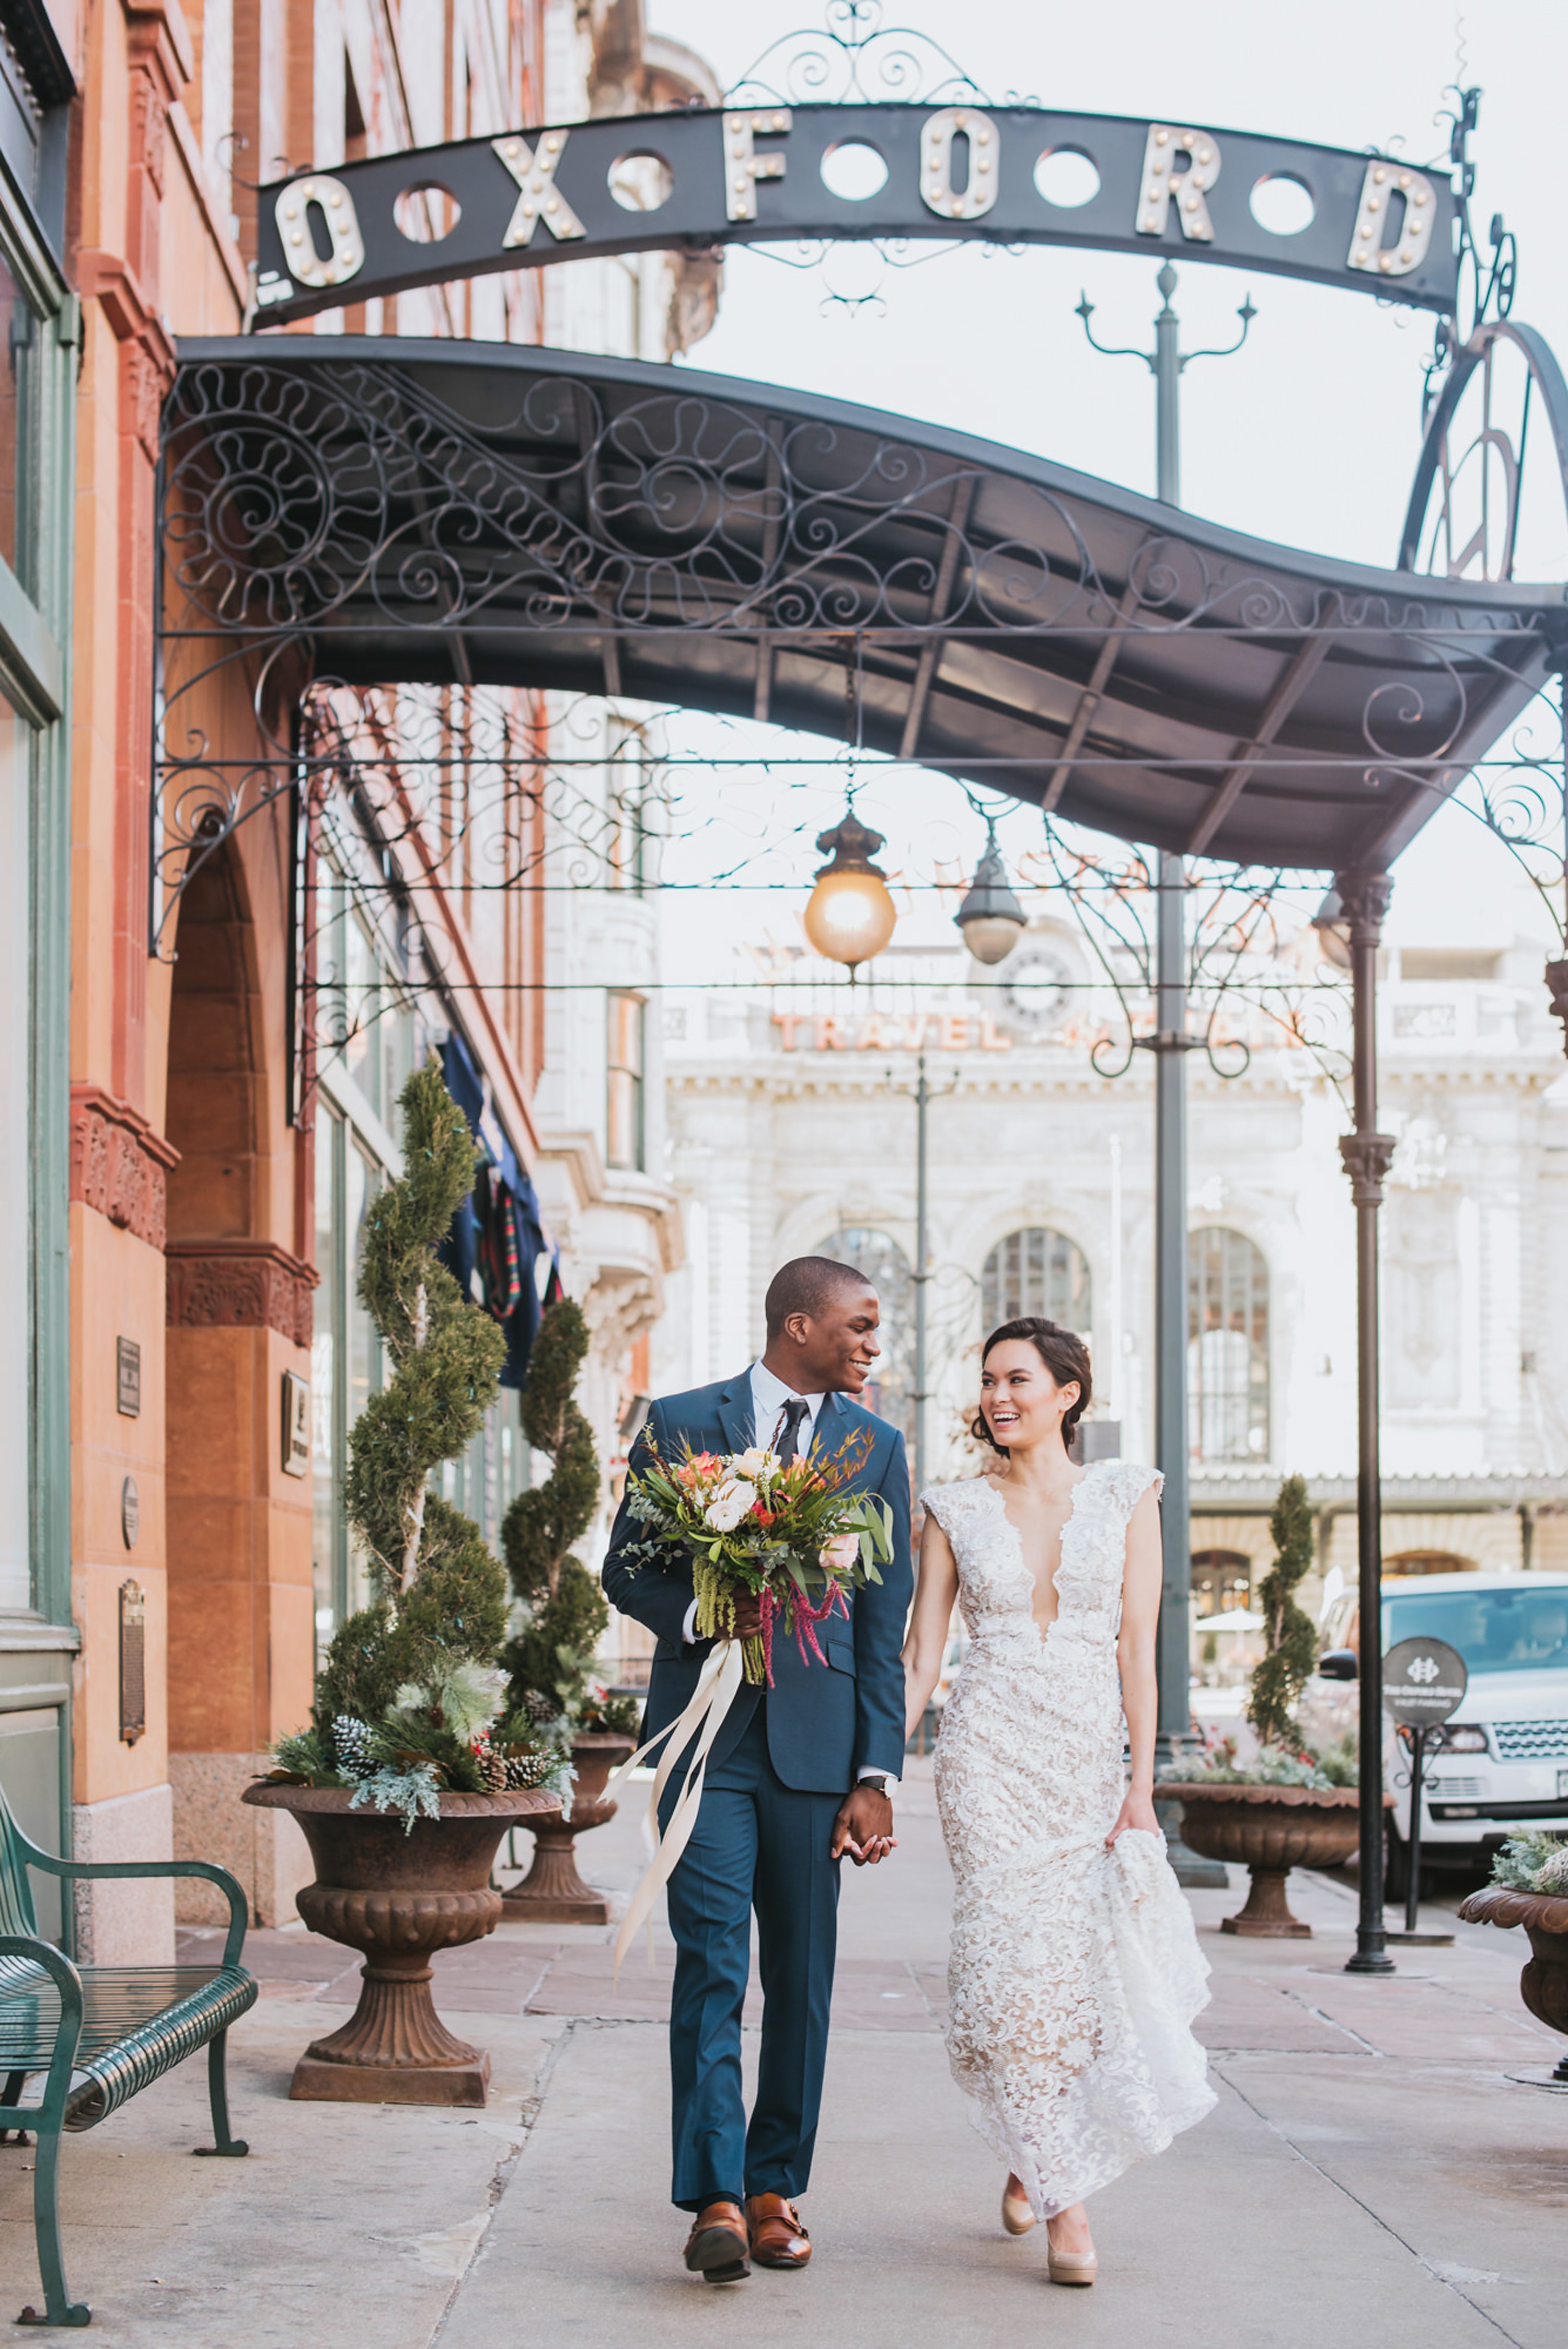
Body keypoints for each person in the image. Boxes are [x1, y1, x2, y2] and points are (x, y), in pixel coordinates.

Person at [601, 1257, 913, 2286]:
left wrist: (877, 1772)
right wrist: (699, 1613)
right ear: (798, 1326)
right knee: (714, 1968)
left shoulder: (876, 1447)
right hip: (706, 1739)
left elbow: (881, 1625)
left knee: (804, 1982)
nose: (873, 1344)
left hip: (819, 1760)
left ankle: (777, 2185)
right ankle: (717, 2199)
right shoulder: (683, 1420)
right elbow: (629, 1566)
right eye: (860, 1326)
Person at [903, 1317, 1214, 2287]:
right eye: (989, 1380)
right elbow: (922, 1657)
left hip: (1083, 1760)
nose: (998, 1396)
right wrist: (873, 1769)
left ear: (1068, 1393)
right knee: (1007, 1958)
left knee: (1072, 1976)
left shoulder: (1129, 1492)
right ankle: (1068, 2208)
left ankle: (1030, 2150)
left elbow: (1137, 1646)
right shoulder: (951, 1504)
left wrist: (1140, 1787)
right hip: (987, 1759)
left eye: (1019, 1379)